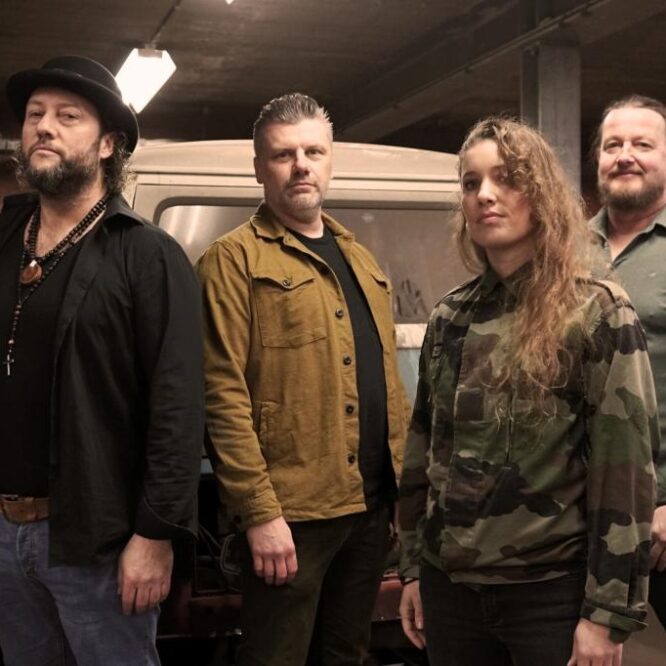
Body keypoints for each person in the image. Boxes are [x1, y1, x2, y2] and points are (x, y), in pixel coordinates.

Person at [398, 117, 658, 666]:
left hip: (549, 595)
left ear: (540, 193)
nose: (485, 195)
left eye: (506, 178)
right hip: (451, 592)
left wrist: (607, 614)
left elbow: (624, 472)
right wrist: (414, 568)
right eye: (471, 183)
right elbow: (424, 452)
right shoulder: (450, 316)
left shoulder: (596, 312)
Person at [0, 56, 203, 665]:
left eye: (68, 116)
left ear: (108, 144)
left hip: (99, 542)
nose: (44, 127)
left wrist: (155, 536)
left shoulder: (147, 254)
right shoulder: (6, 240)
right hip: (5, 533)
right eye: (35, 114)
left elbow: (178, 407)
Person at [197, 93, 409, 665]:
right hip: (291, 517)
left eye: (313, 152)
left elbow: (388, 384)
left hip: (369, 509)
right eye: (283, 154)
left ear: (330, 159)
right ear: (259, 167)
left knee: (347, 654)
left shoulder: (361, 260)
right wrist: (260, 513)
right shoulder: (232, 261)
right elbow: (221, 395)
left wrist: (402, 493)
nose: (301, 166)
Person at [589, 95, 666, 631]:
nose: (625, 155)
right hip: (582, 515)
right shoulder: (563, 249)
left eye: (643, 144)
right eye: (612, 144)